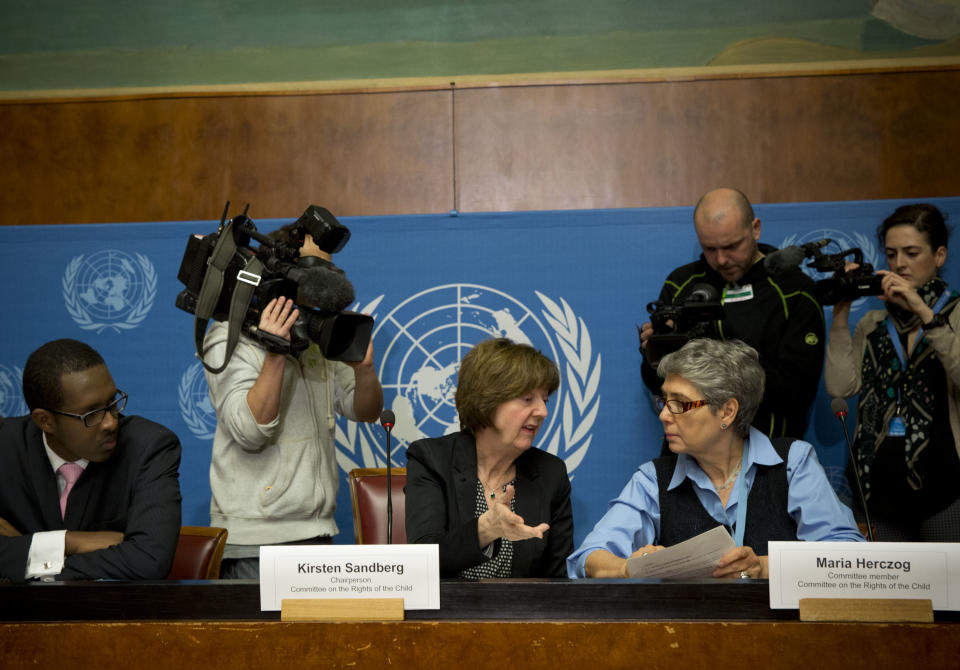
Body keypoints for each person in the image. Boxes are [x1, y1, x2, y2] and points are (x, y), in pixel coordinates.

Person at [568, 338, 862, 580]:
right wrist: (628, 567)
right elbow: (588, 557)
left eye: (679, 404)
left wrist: (762, 567)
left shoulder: (792, 463)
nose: (663, 415)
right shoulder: (653, 479)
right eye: (663, 401)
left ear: (727, 412)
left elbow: (846, 557)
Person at [205, 220, 383, 579]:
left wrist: (364, 371)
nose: (322, 286)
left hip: (316, 533)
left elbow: (364, 410)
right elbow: (250, 431)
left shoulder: (316, 337)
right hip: (254, 545)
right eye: (312, 274)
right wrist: (275, 352)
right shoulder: (228, 338)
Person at [639, 187, 824, 439]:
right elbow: (658, 384)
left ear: (755, 228)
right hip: (691, 454)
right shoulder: (681, 283)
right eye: (710, 249)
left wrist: (713, 361)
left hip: (768, 452)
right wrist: (653, 352)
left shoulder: (794, 290)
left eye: (732, 246)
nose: (722, 259)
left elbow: (797, 391)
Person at [825, 203, 960, 541]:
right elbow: (840, 387)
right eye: (892, 253)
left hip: (945, 489)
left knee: (948, 590)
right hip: (877, 489)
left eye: (912, 253)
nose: (899, 264)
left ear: (939, 255)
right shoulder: (873, 323)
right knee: (886, 594)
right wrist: (841, 315)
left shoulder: (955, 315)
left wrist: (925, 313)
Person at [0, 339, 182, 582]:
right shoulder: (6, 446)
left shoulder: (149, 447)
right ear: (45, 421)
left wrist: (25, 555)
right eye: (91, 414)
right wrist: (70, 542)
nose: (110, 422)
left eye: (112, 403)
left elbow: (149, 559)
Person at [405, 338, 574, 578]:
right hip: (445, 614)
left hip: (522, 614)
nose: (543, 412)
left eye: (544, 400)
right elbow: (424, 560)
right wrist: (486, 529)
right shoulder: (432, 460)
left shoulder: (550, 473)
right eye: (528, 399)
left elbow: (558, 581)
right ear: (488, 399)